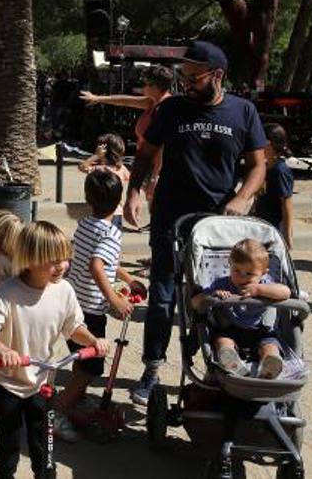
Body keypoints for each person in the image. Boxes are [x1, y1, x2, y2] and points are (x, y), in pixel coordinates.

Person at [124, 41, 267, 406]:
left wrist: (241, 198)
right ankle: (152, 369)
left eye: (193, 76)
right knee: (162, 299)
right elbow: (145, 153)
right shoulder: (171, 110)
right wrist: (134, 193)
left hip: (219, 224)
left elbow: (257, 165)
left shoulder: (243, 111)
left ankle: (216, 367)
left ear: (217, 76)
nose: (185, 82)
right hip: (172, 217)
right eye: (182, 75)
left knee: (214, 296)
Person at [0, 221, 109, 479]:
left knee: (43, 440)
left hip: (41, 381)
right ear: (30, 259)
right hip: (6, 381)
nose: (62, 265)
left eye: (65, 258)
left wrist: (93, 340)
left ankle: (45, 474)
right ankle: (3, 473)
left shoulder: (64, 290)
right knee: (9, 440)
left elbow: (73, 327)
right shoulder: (9, 292)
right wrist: (1, 349)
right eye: (54, 260)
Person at [55, 170, 143, 440]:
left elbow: (106, 262)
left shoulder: (85, 224)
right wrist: (115, 298)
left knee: (81, 362)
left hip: (72, 303)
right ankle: (56, 414)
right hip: (90, 311)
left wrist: (129, 279)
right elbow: (97, 266)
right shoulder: (112, 233)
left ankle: (74, 399)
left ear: (87, 199)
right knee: (90, 369)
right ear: (119, 202)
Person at [191, 238, 291, 379]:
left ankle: (270, 366)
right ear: (230, 265)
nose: (242, 277)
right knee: (222, 342)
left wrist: (260, 289)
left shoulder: (266, 284)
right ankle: (232, 364)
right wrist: (212, 295)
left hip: (262, 331)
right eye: (236, 270)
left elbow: (286, 292)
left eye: (249, 274)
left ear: (263, 273)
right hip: (230, 330)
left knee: (270, 347)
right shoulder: (222, 284)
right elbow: (195, 302)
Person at [80, 64, 174, 204]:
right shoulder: (153, 101)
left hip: (158, 167)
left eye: (146, 83)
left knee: (159, 201)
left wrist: (155, 177)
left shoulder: (165, 107)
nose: (142, 86)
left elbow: (162, 146)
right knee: (154, 202)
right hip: (149, 163)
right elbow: (125, 100)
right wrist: (97, 98)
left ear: (154, 86)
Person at [77, 133, 132, 229]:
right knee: (113, 240)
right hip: (115, 212)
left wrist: (96, 156)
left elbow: (82, 167)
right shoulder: (120, 169)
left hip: (99, 213)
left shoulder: (98, 169)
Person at [254, 123, 295, 250]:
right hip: (263, 225)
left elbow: (287, 204)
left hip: (274, 229)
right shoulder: (265, 167)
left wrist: (287, 235)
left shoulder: (280, 170)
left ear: (268, 144)